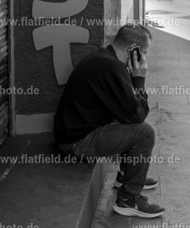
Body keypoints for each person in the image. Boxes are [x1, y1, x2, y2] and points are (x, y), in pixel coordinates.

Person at [53, 24, 165, 219]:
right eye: (144, 53)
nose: (145, 59)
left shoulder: (106, 59)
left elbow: (128, 111)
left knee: (127, 118)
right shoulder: (110, 68)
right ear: (133, 50)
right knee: (145, 132)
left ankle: (126, 177)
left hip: (77, 133)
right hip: (76, 143)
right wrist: (139, 79)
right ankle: (128, 200)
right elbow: (138, 114)